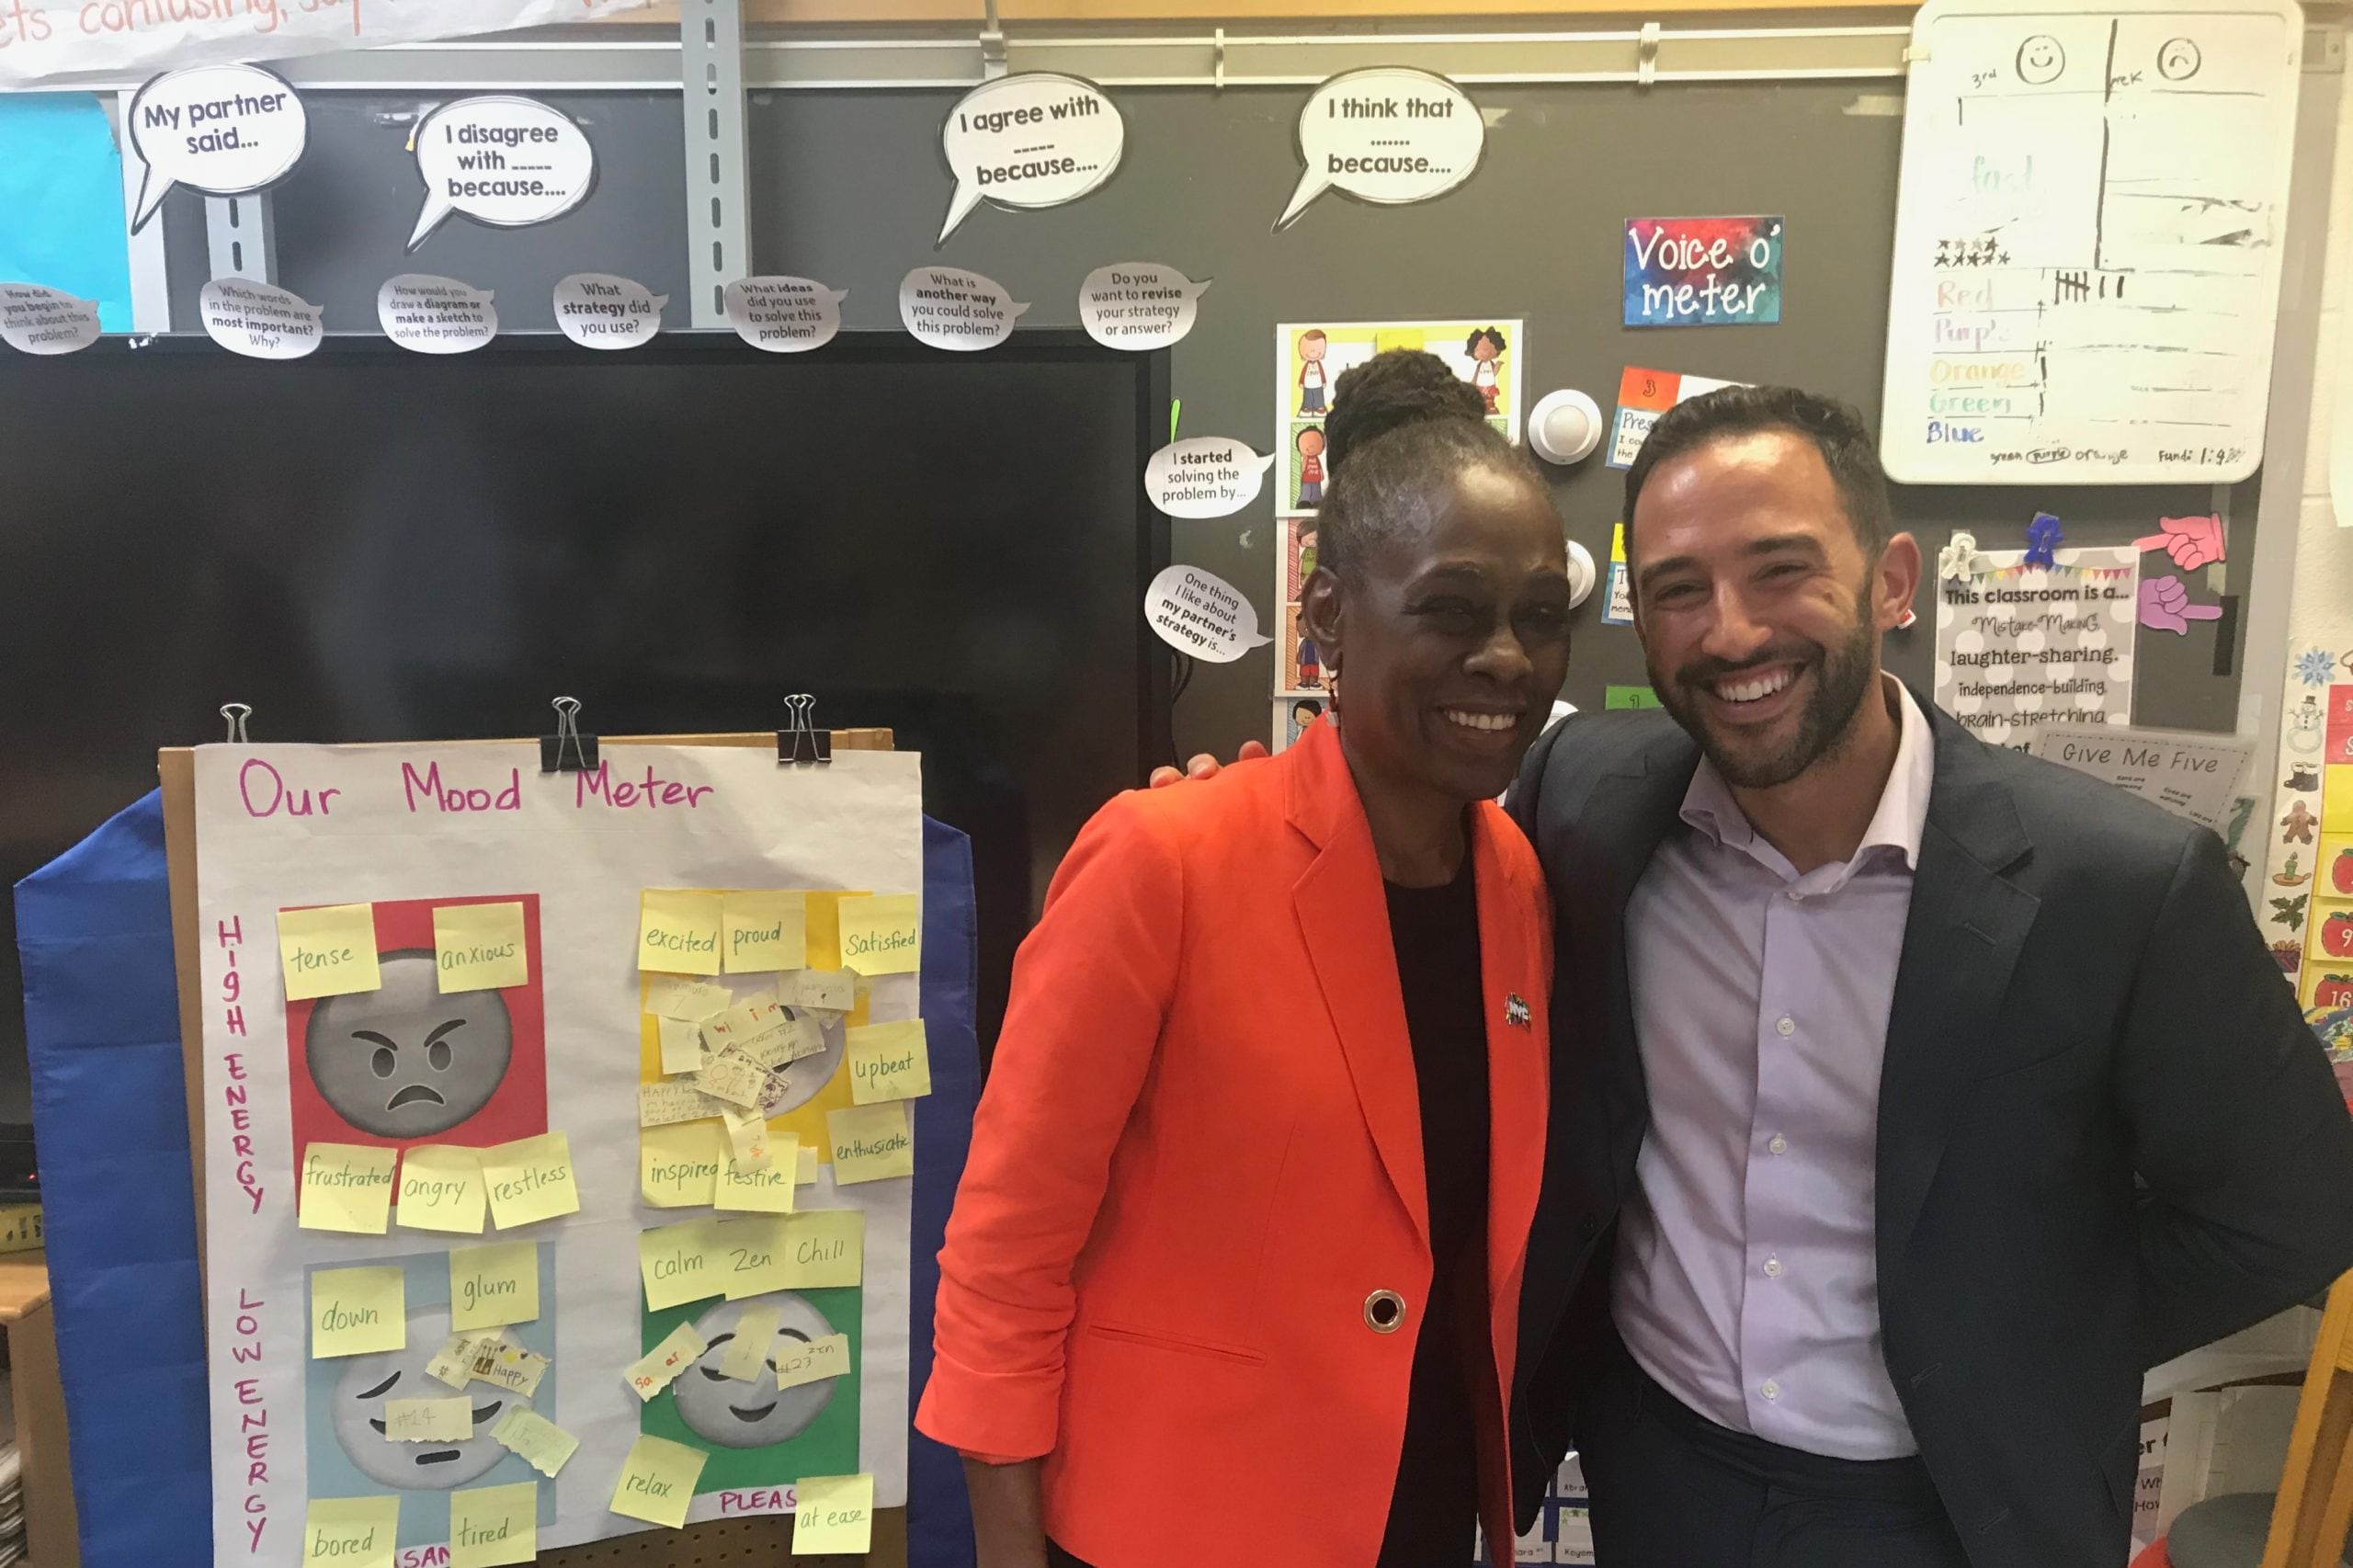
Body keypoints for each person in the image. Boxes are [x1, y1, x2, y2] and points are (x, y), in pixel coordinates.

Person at [1506, 385, 2353, 1567]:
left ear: (1891, 581)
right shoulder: (1583, 799)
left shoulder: (2121, 886)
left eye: (1780, 568)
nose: (1730, 632)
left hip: (1950, 1506)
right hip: (1658, 1462)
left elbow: (2296, 1209)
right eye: (1677, 589)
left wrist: (2017, 1333)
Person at [917, 355, 1576, 1568]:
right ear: (1327, 616)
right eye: (1451, 607)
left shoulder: (1514, 883)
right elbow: (1005, 1255)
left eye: (1541, 615)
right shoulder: (1165, 857)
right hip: (1177, 1525)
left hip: (1421, 1515)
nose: (1507, 656)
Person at [1466, 326, 1506, 417]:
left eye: (1488, 349)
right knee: (1480, 398)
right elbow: (1476, 375)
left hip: (1490, 384)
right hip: (1480, 385)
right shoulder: (1479, 365)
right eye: (1479, 350)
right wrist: (1472, 384)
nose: (1485, 353)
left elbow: (1494, 373)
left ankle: (1490, 408)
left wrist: (1498, 366)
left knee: (1490, 399)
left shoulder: (1491, 364)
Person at [1297, 327, 1331, 415]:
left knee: (1318, 396)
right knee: (1307, 397)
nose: (1312, 351)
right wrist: (1301, 382)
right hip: (1308, 385)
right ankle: (1307, 407)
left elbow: (1322, 373)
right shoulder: (1306, 366)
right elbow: (1303, 374)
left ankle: (1319, 408)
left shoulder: (1319, 365)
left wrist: (1323, 382)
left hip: (1318, 384)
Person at [1296, 424, 1327, 507]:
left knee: (1316, 489)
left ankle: (1316, 500)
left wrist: (1321, 475)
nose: (1310, 447)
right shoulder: (1306, 459)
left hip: (1316, 478)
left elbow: (1319, 467)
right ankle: (1304, 501)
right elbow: (1303, 468)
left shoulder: (1316, 459)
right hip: (1307, 478)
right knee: (1306, 489)